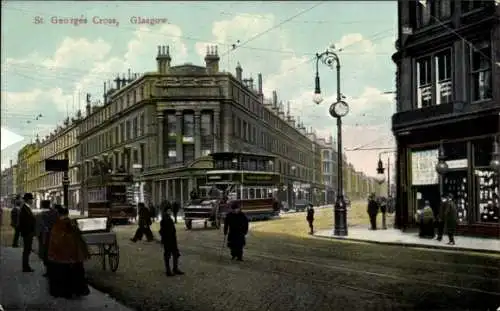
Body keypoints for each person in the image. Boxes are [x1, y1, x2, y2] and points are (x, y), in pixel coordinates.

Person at [47, 205, 90, 298]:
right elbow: (79, 239)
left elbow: (55, 240)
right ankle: (77, 290)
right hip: (74, 254)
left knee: (63, 274)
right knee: (76, 273)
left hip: (61, 255)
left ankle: (66, 292)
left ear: (59, 214)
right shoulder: (72, 223)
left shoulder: (57, 225)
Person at [159, 202, 184, 276]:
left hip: (172, 239)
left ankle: (175, 268)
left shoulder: (169, 218)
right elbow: (163, 231)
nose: (170, 212)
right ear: (166, 211)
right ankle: (168, 271)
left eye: (170, 210)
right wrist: (164, 239)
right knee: (167, 255)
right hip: (168, 239)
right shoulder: (164, 219)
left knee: (175, 254)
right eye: (168, 210)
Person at [37, 200, 58, 277]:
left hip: (45, 237)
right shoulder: (55, 213)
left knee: (46, 254)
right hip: (54, 236)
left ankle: (49, 271)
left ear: (42, 205)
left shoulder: (40, 215)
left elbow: (39, 229)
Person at [18, 193, 36, 272]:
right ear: (28, 200)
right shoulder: (24, 208)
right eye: (31, 199)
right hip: (27, 232)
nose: (32, 200)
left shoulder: (26, 208)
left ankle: (26, 266)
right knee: (27, 250)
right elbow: (25, 222)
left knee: (27, 250)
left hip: (28, 232)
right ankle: (25, 267)